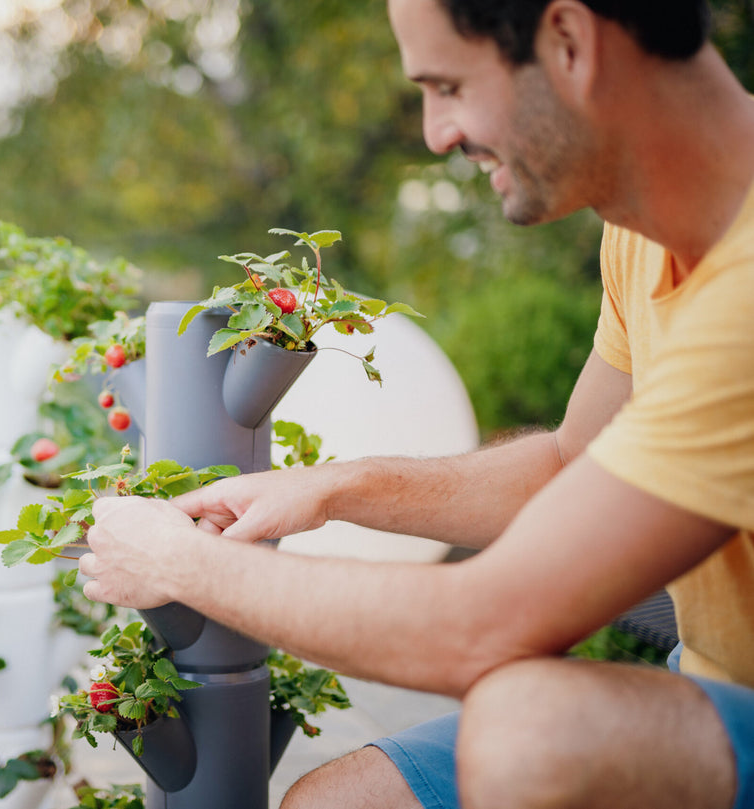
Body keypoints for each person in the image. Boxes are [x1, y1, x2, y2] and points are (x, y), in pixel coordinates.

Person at [78, 1, 754, 807]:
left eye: (448, 86)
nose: (437, 133)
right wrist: (333, 487)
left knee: (527, 726)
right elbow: (571, 465)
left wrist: (180, 561)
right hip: (713, 693)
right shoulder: (645, 234)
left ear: (569, 42)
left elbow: (482, 627)